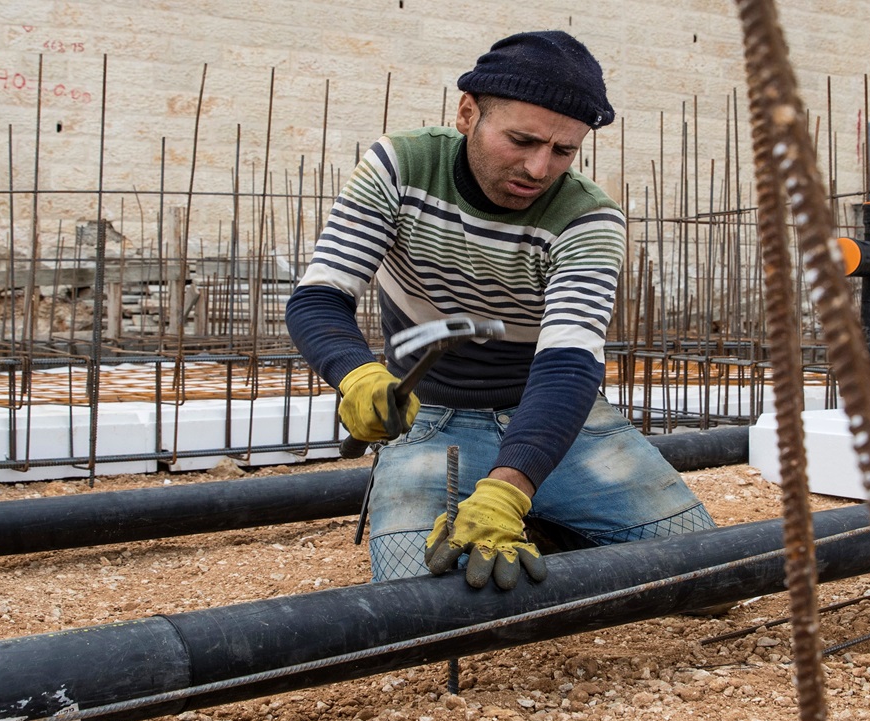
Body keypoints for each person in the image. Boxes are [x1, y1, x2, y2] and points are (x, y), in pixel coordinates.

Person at [285, 31, 714, 591]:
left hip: (553, 421)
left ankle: (540, 516)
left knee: (708, 579)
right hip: (430, 422)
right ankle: (546, 522)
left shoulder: (588, 219)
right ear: (468, 113)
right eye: (521, 140)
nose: (539, 168)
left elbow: (567, 366)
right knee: (421, 604)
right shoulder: (401, 167)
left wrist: (509, 488)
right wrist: (357, 374)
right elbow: (320, 296)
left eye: (563, 151)